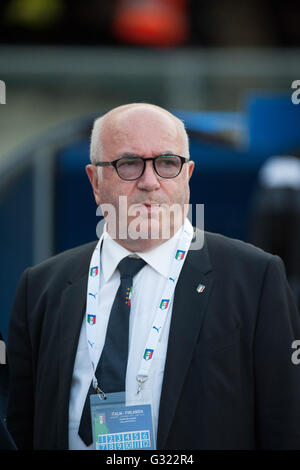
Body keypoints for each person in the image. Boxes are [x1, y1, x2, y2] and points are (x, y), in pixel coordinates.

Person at [6, 103, 300, 450]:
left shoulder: (254, 279)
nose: (149, 182)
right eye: (129, 164)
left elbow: (285, 428)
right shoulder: (41, 287)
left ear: (187, 175)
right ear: (95, 181)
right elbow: (22, 432)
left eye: (166, 163)